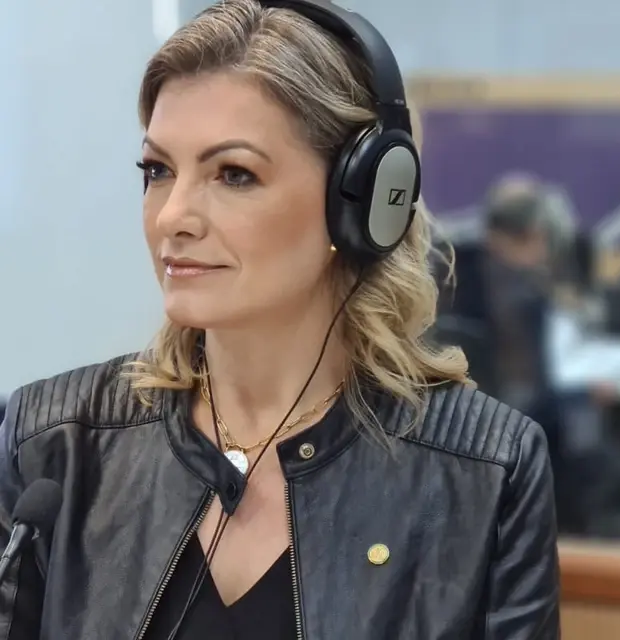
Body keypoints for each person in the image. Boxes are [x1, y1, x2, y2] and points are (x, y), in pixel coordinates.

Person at [0, 1, 559, 638]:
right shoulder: (53, 443)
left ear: (363, 201)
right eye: (158, 170)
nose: (172, 216)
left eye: (234, 174)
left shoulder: (485, 470)